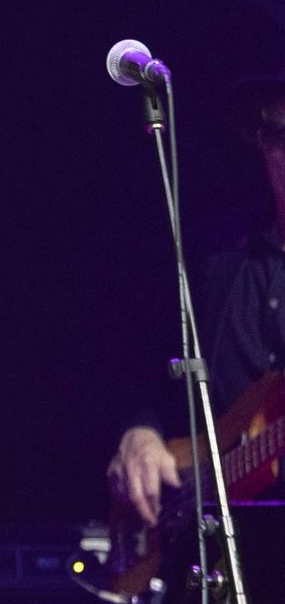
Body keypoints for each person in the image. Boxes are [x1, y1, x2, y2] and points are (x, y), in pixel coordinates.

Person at [107, 73, 285, 524]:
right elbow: (153, 359)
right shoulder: (215, 254)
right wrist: (142, 429)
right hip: (208, 533)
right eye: (277, 136)